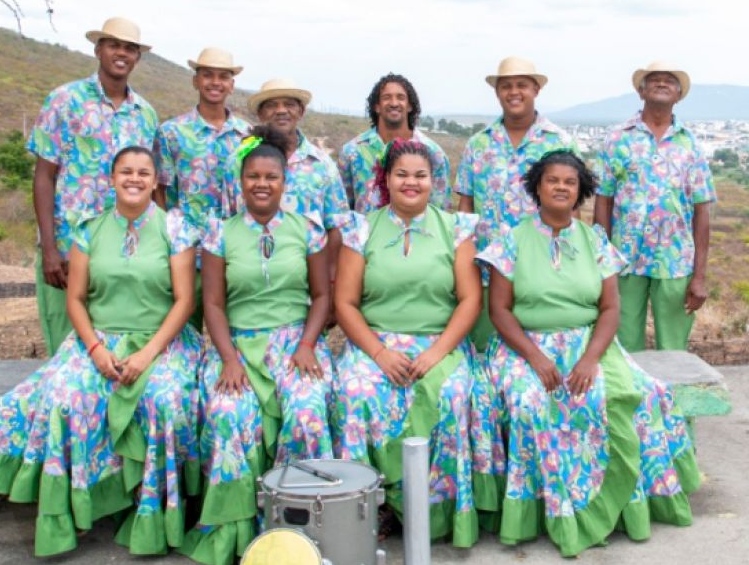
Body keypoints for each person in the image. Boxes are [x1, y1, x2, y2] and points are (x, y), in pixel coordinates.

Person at [0, 146, 202, 557]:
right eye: (126, 172)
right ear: (111, 179)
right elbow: (76, 299)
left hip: (161, 341)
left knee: (164, 399)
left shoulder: (177, 228)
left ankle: (150, 513)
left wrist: (148, 354)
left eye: (143, 173)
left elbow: (185, 302)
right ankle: (69, 514)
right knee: (65, 397)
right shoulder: (88, 230)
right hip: (99, 340)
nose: (134, 179)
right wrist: (96, 350)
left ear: (155, 181)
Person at [479, 149, 700, 556]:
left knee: (640, 395)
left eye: (570, 182)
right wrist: (535, 357)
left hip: (587, 342)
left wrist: (590, 358)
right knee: (531, 402)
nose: (561, 187)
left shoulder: (595, 240)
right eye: (553, 180)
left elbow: (611, 308)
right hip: (526, 344)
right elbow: (500, 311)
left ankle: (625, 501)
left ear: (580, 191)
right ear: (537, 187)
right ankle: (552, 509)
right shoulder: (510, 240)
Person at [181, 126, 334, 565]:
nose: (261, 184)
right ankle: (237, 533)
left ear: (285, 182)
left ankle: (300, 531)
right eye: (253, 176)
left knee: (306, 410)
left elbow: (321, 296)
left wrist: (308, 343)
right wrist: (228, 358)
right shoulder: (219, 234)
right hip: (240, 347)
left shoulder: (307, 230)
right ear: (240, 181)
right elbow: (211, 302)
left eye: (271, 176)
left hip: (293, 343)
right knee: (230, 416)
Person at [331, 139, 482, 545]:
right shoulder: (360, 228)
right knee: (354, 391)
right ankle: (372, 506)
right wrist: (378, 353)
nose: (411, 182)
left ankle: (434, 510)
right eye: (402, 174)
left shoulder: (456, 229)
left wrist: (436, 353)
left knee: (450, 392)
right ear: (386, 179)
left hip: (439, 342)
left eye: (421, 175)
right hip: (374, 342)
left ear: (435, 182)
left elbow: (470, 299)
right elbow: (344, 302)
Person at [28, 16, 159, 354]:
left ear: (138, 58)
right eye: (114, 45)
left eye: (130, 48)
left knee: (113, 342)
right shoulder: (64, 100)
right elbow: (44, 175)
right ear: (99, 49)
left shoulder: (145, 114)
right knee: (65, 341)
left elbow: (148, 184)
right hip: (69, 242)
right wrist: (49, 248)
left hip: (123, 248)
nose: (122, 53)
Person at [456, 56, 578, 351]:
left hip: (541, 268)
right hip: (487, 268)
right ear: (497, 92)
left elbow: (571, 208)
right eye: (506, 86)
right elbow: (465, 205)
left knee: (538, 350)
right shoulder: (479, 144)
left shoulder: (559, 142)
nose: (514, 92)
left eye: (522, 85)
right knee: (484, 347)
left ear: (536, 89)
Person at [593, 62, 716, 352]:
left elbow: (702, 211)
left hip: (675, 261)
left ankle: (673, 397)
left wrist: (699, 276)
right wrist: (601, 260)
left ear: (678, 95)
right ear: (641, 91)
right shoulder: (617, 139)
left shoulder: (690, 145)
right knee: (623, 345)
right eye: (654, 80)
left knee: (673, 349)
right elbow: (603, 201)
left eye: (669, 81)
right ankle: (631, 397)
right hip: (624, 261)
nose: (662, 84)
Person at [154, 46, 250, 328]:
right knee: (184, 330)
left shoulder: (248, 137)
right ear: (195, 80)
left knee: (235, 332)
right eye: (207, 75)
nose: (215, 82)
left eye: (223, 76)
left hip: (235, 252)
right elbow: (160, 193)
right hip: (187, 252)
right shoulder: (171, 132)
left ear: (232, 85)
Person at [225, 78, 350, 274]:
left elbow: (337, 225)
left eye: (289, 104)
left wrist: (329, 277)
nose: (281, 110)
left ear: (301, 111)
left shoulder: (322, 165)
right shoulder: (238, 161)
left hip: (310, 283)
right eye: (272, 105)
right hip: (250, 277)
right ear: (260, 113)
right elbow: (228, 219)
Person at [338, 73, 450, 213]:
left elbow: (440, 210)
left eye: (401, 97)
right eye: (386, 97)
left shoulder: (433, 153)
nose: (394, 103)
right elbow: (342, 210)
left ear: (410, 106)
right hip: (367, 234)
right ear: (376, 106)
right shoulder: (352, 152)